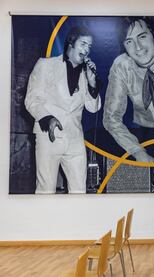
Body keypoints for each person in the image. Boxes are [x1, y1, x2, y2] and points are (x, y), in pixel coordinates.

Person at [103, 16, 154, 191]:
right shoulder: (121, 66)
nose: (138, 47)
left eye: (142, 37)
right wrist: (138, 152)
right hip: (142, 136)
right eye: (129, 41)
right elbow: (111, 118)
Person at [25, 26, 101, 194]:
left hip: (75, 140)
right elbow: (31, 99)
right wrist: (47, 118)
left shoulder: (85, 74)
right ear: (70, 43)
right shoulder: (45, 65)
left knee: (79, 191)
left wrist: (92, 83)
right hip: (48, 137)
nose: (86, 50)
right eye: (83, 44)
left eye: (89, 46)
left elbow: (93, 108)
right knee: (46, 191)